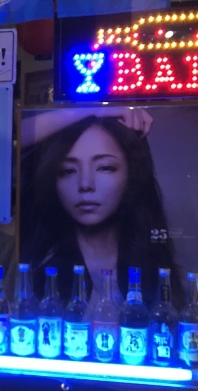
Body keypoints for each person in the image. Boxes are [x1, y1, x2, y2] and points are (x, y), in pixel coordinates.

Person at [21, 106, 182, 308]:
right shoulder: (33, 273)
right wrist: (90, 109)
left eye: (105, 167)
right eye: (67, 170)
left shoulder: (164, 277)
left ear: (131, 175)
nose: (85, 184)